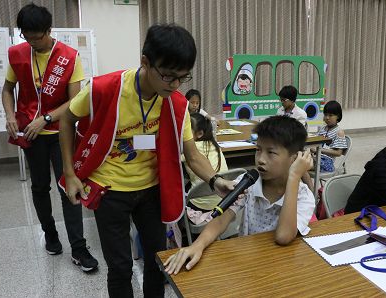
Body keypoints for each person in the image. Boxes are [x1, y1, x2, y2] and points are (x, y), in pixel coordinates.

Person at [59, 24, 236, 298]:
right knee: (120, 268)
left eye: (182, 77)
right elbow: (67, 120)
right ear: (145, 62)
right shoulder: (105, 88)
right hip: (109, 191)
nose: (175, 85)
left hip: (152, 191)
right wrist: (70, 173)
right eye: (167, 76)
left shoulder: (176, 103)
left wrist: (215, 179)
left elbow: (192, 153)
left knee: (157, 263)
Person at [1, 3, 98, 271]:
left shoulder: (69, 56)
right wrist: (10, 115)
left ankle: (79, 249)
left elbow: (75, 102)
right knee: (39, 187)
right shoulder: (18, 54)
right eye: (27, 37)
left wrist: (45, 118)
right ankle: (50, 234)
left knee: (69, 186)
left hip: (60, 133)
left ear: (49, 30)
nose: (32, 43)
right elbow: (8, 89)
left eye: (37, 37)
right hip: (31, 135)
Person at [164, 116, 316, 275]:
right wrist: (197, 245)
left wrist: (294, 177)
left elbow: (284, 237)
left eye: (271, 152)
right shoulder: (249, 183)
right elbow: (221, 219)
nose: (261, 160)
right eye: (258, 150)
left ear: (294, 158)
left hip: (283, 268)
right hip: (249, 263)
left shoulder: (303, 196)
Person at [182, 113, 228, 218]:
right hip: (222, 202)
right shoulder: (214, 145)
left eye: (186, 131)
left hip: (199, 204)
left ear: (199, 134)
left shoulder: (190, 149)